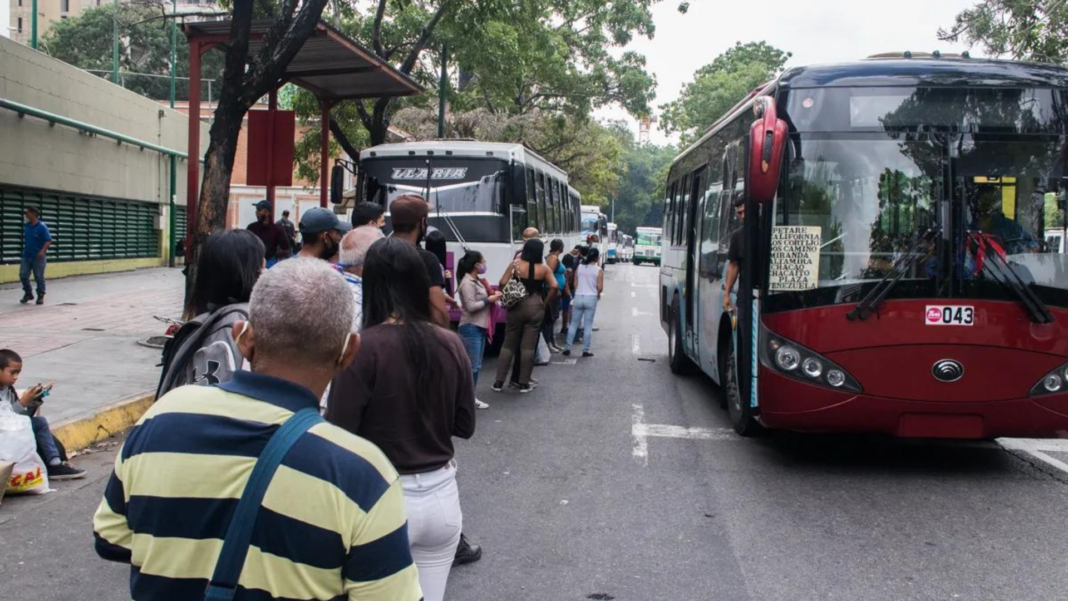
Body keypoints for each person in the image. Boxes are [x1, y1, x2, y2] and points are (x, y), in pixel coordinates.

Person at [94, 258, 423, 601]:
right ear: (349, 352)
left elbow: (111, 538)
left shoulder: (162, 415)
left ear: (243, 338)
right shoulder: (362, 472)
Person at [327, 238, 476, 601]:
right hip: (442, 499)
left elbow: (337, 433)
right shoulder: (450, 343)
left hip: (380, 500)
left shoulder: (361, 347)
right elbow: (465, 426)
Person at [158, 230, 265, 397]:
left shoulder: (201, 322)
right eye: (261, 265)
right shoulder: (250, 321)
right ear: (251, 271)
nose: (265, 270)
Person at [0, 349, 86, 480]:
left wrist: (33, 402)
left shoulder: (8, 389)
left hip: (10, 433)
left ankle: (55, 463)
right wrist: (23, 402)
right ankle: (54, 465)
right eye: (12, 372)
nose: (16, 377)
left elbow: (18, 419)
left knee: (38, 423)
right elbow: (5, 421)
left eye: (18, 373)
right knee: (39, 424)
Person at [492, 239, 559, 393]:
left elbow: (502, 282)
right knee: (528, 347)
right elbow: (554, 286)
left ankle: (498, 382)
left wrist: (505, 297)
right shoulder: (544, 269)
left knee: (508, 344)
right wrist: (544, 302)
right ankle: (523, 383)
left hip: (516, 305)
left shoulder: (515, 265)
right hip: (535, 305)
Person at [389, 194, 450, 327]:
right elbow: (439, 316)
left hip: (377, 338)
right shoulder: (428, 259)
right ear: (422, 223)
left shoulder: (375, 253)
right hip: (414, 338)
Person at [457, 250, 501, 410]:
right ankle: (466, 398)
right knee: (472, 366)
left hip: (479, 326)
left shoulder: (477, 281)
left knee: (476, 366)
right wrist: (488, 300)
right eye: (483, 261)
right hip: (471, 326)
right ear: (476, 265)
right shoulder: (467, 283)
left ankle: (469, 397)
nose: (485, 264)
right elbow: (470, 307)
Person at [564, 247, 604, 357]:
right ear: (596, 257)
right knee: (588, 325)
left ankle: (567, 348)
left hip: (578, 297)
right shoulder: (598, 270)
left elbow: (575, 284)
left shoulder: (579, 267)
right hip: (590, 298)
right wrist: (597, 292)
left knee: (573, 324)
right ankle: (585, 350)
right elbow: (600, 287)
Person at [20, 207, 52, 305]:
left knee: (38, 276)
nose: (26, 215)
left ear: (33, 214)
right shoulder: (27, 226)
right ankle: (28, 293)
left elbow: (48, 240)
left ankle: (40, 295)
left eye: (27, 213)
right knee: (23, 275)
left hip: (38, 257)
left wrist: (42, 251)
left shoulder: (42, 226)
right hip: (27, 255)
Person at [246, 200, 291, 267]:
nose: (256, 212)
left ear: (267, 212)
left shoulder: (277, 229)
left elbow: (286, 248)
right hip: (254, 264)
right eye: (256, 210)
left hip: (270, 263)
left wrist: (274, 254)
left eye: (259, 210)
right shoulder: (251, 228)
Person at [542, 239, 567, 353]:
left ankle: (552, 342)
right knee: (550, 318)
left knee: (553, 318)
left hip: (556, 292)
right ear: (560, 247)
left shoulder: (554, 257)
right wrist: (554, 287)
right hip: (552, 292)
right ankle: (548, 343)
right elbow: (549, 274)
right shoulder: (552, 258)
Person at [723, 196, 745, 315]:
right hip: (746, 298)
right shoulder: (737, 236)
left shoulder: (769, 229)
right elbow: (733, 266)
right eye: (739, 213)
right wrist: (726, 294)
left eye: (745, 211)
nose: (743, 216)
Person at [425, 228, 457, 305]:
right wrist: (454, 302)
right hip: (435, 306)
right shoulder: (439, 266)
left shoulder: (423, 261)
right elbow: (444, 293)